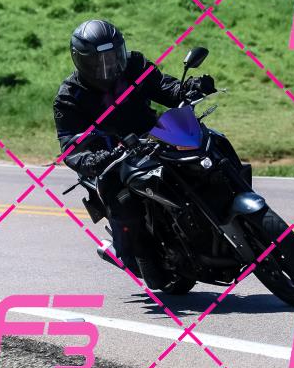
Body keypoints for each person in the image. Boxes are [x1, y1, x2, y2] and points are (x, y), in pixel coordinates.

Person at [53, 19, 215, 289]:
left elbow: (164, 87)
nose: (108, 66)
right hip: (112, 159)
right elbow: (71, 145)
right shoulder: (70, 97)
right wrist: (93, 159)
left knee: (207, 148)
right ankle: (135, 255)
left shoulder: (135, 66)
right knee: (125, 202)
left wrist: (189, 88)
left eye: (113, 57)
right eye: (99, 62)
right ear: (81, 61)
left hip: (154, 138)